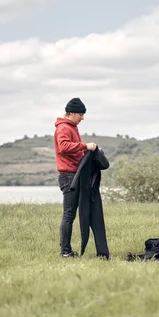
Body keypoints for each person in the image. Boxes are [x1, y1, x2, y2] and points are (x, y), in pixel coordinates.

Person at [54, 97, 96, 257]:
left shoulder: (71, 126)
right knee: (69, 214)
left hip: (74, 174)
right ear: (71, 113)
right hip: (69, 176)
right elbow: (64, 146)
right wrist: (85, 146)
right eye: (80, 114)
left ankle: (67, 250)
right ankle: (65, 252)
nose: (83, 118)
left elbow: (73, 149)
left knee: (72, 213)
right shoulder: (64, 127)